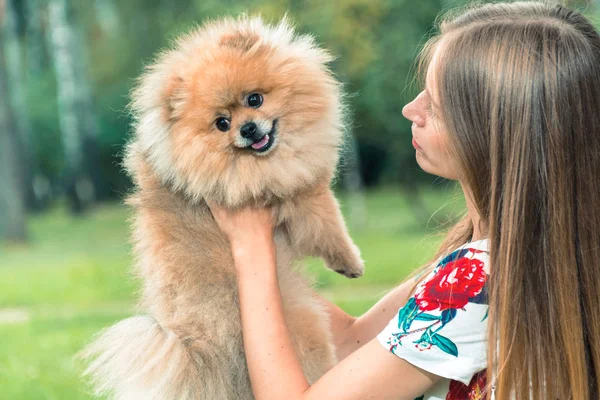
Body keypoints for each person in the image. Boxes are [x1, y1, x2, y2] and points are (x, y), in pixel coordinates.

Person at [208, 1, 600, 399]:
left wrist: (251, 248)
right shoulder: (518, 253)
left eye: (436, 105)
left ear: (492, 132)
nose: (410, 109)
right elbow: (350, 342)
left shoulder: (473, 283)